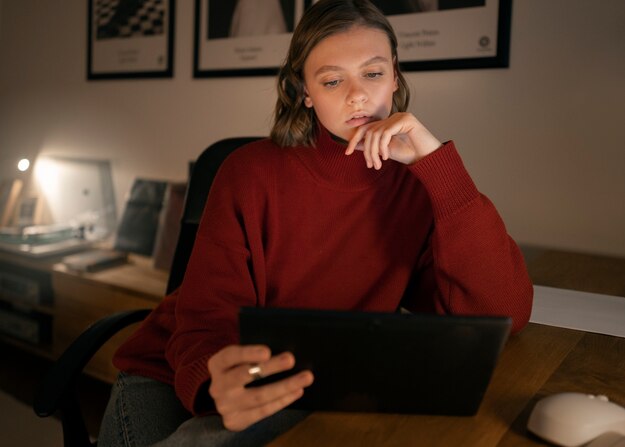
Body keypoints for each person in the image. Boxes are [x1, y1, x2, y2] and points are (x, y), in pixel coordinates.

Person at [98, 0, 533, 445]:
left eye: (374, 72)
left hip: (309, 381)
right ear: (305, 91)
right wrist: (214, 381)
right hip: (179, 371)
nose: (357, 95)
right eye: (331, 80)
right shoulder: (247, 172)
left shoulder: (418, 186)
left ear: (396, 76)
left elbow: (504, 316)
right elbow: (206, 317)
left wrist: (439, 166)